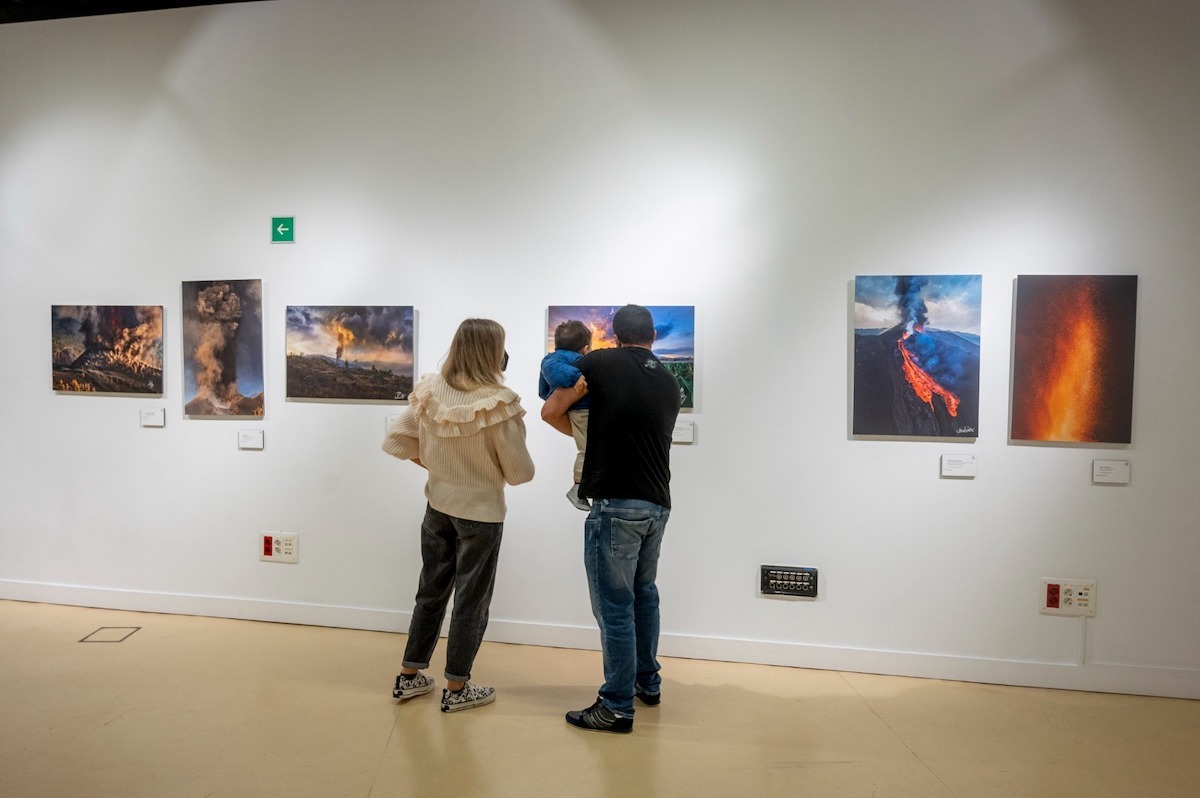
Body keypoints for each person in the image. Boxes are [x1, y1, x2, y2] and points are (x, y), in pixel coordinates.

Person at [540, 304, 682, 734]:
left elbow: (551, 411)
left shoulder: (599, 363)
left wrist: (588, 433)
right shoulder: (669, 382)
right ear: (653, 336)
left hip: (616, 504)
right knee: (645, 596)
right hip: (657, 504)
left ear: (615, 335)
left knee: (615, 607)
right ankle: (647, 682)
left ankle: (616, 706)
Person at [383, 318, 535, 713]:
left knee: (430, 591)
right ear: (493, 351)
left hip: (437, 507)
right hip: (481, 515)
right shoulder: (499, 402)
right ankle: (456, 688)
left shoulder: (430, 390)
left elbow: (398, 441)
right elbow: (521, 474)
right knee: (471, 601)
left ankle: (409, 677)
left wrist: (439, 468)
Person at [538, 319, 592, 511]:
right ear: (585, 347)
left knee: (587, 447)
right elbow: (554, 372)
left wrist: (549, 396)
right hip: (581, 411)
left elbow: (543, 390)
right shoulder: (560, 360)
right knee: (588, 449)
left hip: (580, 410)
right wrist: (576, 377)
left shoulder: (555, 358)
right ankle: (578, 488)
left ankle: (583, 486)